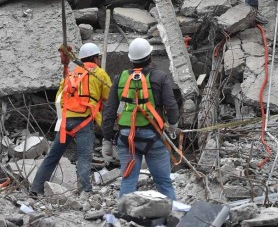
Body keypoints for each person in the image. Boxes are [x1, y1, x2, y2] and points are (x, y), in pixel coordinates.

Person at [101, 38, 179, 200]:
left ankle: (123, 219)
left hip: (126, 137)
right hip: (153, 136)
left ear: (131, 59)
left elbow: (109, 111)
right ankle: (173, 216)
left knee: (128, 181)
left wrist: (107, 139)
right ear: (150, 56)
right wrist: (173, 125)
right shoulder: (160, 77)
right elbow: (171, 106)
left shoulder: (119, 78)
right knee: (163, 182)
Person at [31, 43, 111, 196]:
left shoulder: (72, 75)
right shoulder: (99, 73)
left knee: (53, 157)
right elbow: (109, 96)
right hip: (84, 121)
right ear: (95, 58)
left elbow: (59, 98)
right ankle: (85, 190)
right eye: (99, 58)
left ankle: (35, 189)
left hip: (65, 121)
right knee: (84, 157)